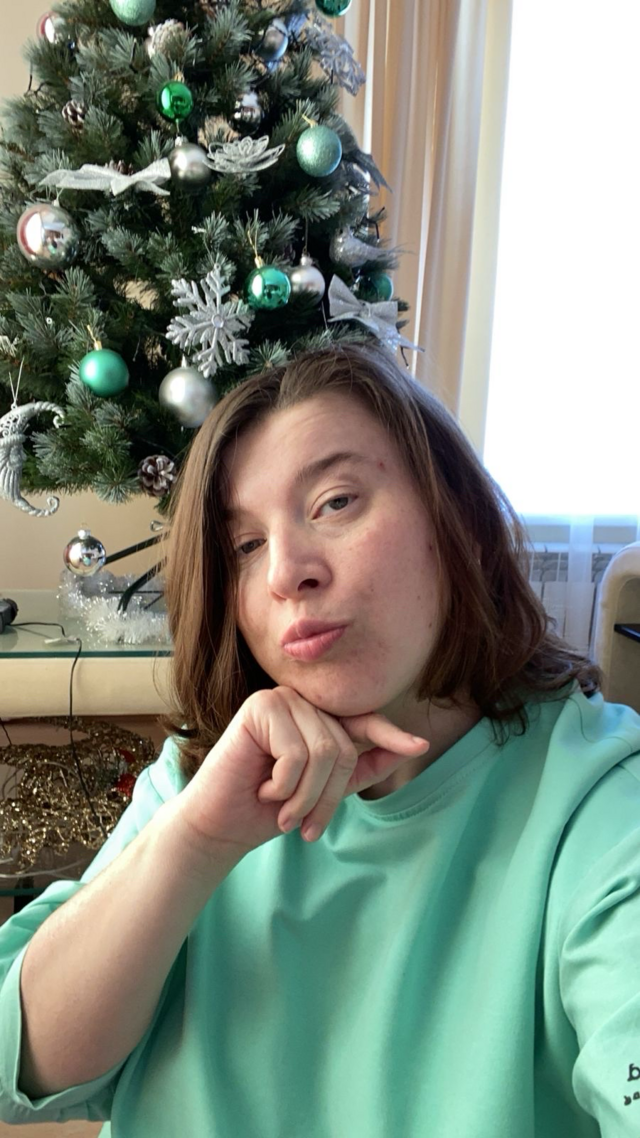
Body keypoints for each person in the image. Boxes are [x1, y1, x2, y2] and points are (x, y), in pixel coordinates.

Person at [1, 340, 640, 1137]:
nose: (285, 573)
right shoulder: (202, 775)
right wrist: (195, 842)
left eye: (335, 503)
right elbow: (21, 1067)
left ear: (461, 523)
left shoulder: (601, 806)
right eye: (246, 545)